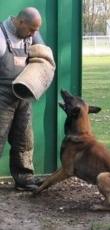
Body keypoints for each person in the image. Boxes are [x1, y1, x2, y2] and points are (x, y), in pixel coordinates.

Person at [0, 7, 45, 191]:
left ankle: (24, 178)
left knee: (24, 139)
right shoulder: (1, 37)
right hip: (2, 95)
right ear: (20, 22)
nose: (35, 34)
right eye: (32, 29)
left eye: (36, 30)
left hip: (23, 94)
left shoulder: (31, 35)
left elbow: (44, 57)